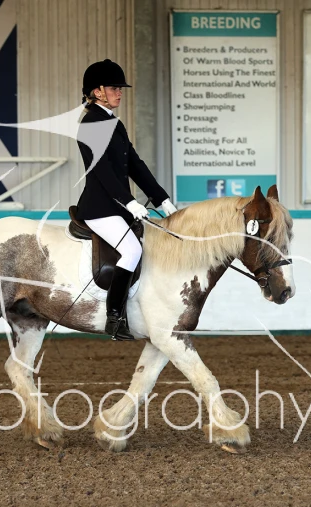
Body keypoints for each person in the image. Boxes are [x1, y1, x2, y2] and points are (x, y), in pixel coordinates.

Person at [76, 59, 177, 341]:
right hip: (100, 208)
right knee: (132, 251)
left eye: (120, 88)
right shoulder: (90, 123)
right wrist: (129, 201)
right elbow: (102, 170)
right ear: (97, 91)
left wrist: (162, 199)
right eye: (114, 88)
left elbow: (135, 165)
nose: (119, 92)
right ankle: (114, 317)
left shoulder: (114, 123)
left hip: (117, 207)